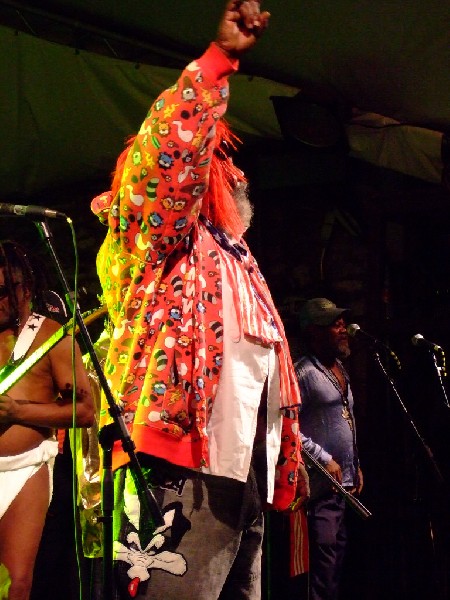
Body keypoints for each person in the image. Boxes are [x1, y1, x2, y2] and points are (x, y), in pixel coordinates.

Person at [91, 2, 307, 598]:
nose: (238, 177)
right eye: (224, 169)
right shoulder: (161, 242)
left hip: (241, 474)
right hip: (178, 471)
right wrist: (219, 64)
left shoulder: (238, 261)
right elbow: (170, 154)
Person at [0, 240, 94, 600]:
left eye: (4, 291)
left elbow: (84, 411)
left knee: (16, 582)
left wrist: (17, 411)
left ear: (26, 289)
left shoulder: (53, 336)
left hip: (25, 470)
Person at [294, 297, 363, 600]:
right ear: (313, 332)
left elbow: (345, 421)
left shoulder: (341, 371)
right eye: (333, 325)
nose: (342, 329)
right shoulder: (303, 374)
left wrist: (354, 464)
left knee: (336, 571)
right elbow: (287, 429)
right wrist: (323, 458)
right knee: (321, 575)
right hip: (319, 490)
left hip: (343, 489)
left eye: (341, 323)